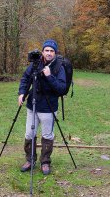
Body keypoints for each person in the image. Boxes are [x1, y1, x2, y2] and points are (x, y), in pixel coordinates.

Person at [18, 39, 66, 175]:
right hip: (32, 105)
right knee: (29, 133)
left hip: (48, 107)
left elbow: (61, 88)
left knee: (47, 135)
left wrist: (49, 76)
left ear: (55, 53)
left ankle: (45, 161)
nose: (49, 53)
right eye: (47, 50)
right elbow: (26, 78)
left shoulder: (59, 67)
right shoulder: (36, 63)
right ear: (43, 51)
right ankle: (30, 159)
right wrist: (22, 92)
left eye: (52, 51)